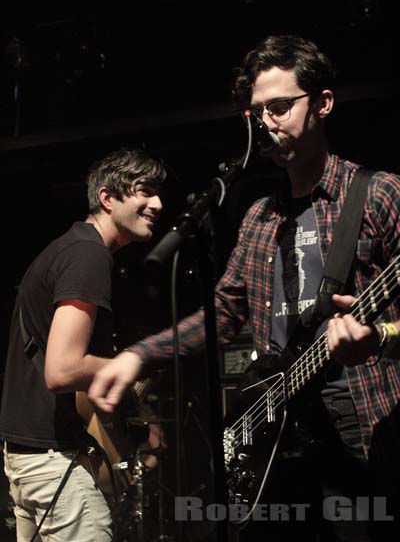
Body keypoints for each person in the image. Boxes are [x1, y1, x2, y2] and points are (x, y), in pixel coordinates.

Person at [88, 35, 400, 541]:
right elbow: (223, 312)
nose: (268, 124)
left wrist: (380, 336)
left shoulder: (378, 194)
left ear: (321, 104)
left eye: (280, 107)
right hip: (278, 433)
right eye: (258, 113)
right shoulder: (258, 216)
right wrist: (139, 355)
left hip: (362, 429)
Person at [0, 147, 166, 542]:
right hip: (50, 464)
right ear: (107, 198)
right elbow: (62, 370)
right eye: (145, 191)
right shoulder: (87, 255)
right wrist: (129, 363)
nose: (158, 204)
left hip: (28, 458)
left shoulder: (71, 249)